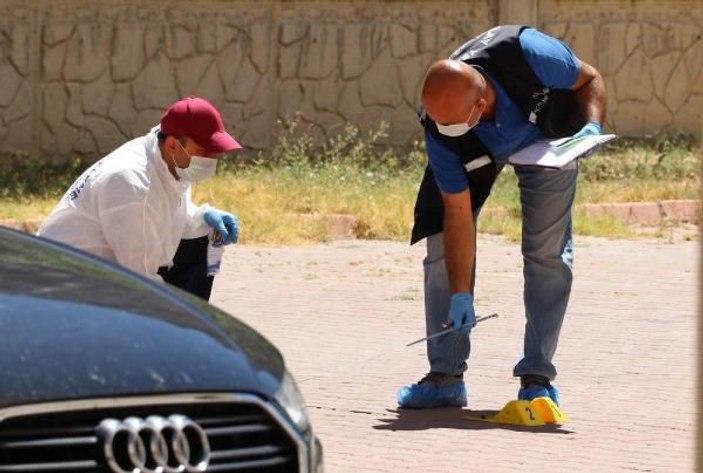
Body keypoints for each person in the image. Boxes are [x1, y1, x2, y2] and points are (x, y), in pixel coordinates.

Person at [397, 25, 607, 408]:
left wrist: (591, 126)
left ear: (480, 106)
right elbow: (457, 215)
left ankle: (537, 378)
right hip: (478, 150)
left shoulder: (529, 52)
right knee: (442, 247)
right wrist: (460, 294)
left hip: (548, 141)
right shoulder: (443, 129)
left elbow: (590, 79)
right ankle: (446, 376)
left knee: (547, 254)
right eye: (439, 121)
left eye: (453, 122)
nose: (445, 129)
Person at [38, 96, 242, 301]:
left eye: (215, 153)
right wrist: (175, 312)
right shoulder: (130, 184)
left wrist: (202, 215)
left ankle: (183, 325)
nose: (211, 161)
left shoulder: (170, 162)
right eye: (204, 152)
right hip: (67, 282)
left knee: (206, 237)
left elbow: (168, 211)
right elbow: (140, 278)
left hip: (107, 265)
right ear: (172, 146)